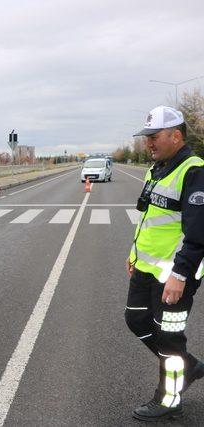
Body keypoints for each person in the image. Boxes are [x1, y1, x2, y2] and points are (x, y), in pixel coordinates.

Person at [125, 105, 204, 421]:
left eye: (154, 137)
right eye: (146, 138)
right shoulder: (157, 168)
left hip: (175, 275)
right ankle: (189, 365)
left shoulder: (194, 171)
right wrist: (133, 256)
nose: (149, 144)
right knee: (136, 320)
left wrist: (181, 274)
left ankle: (169, 398)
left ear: (176, 135)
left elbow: (198, 233)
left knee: (170, 340)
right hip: (146, 268)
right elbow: (149, 219)